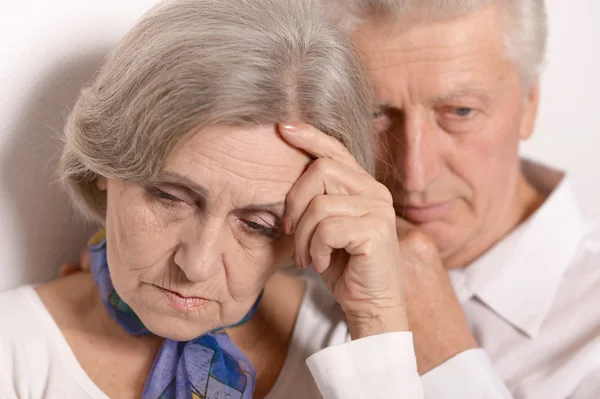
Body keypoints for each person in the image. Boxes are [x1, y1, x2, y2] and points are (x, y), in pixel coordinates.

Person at [0, 1, 424, 398]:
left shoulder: (360, 351)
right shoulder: (13, 348)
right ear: (105, 167)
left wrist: (378, 316)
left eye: (259, 225)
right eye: (169, 197)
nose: (197, 265)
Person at [324, 0, 600, 398]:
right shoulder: (279, 266)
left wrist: (443, 357)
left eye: (460, 111)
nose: (415, 173)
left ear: (530, 104)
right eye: (374, 113)